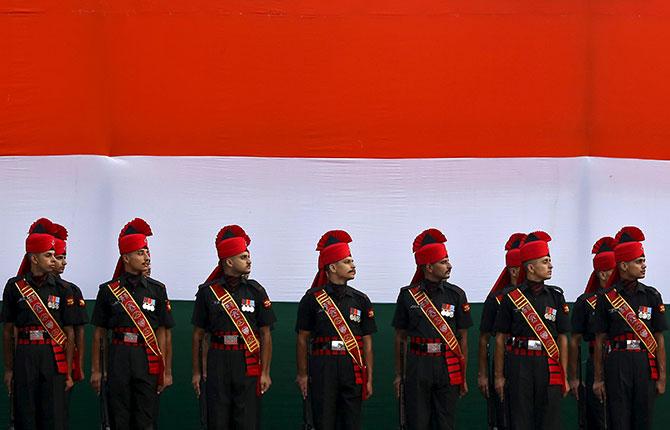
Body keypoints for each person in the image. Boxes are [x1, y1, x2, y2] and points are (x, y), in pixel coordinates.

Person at [90, 218, 174, 429]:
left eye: (147, 252)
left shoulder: (157, 290)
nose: (146, 257)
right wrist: (97, 371)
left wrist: (167, 371)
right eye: (140, 252)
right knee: (119, 418)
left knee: (146, 419)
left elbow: (164, 333)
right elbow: (100, 334)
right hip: (118, 357)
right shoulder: (108, 291)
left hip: (147, 359)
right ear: (126, 257)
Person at [191, 225, 276, 429]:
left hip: (246, 361)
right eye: (243, 257)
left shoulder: (256, 291)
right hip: (218, 360)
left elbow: (265, 335)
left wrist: (265, 372)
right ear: (229, 261)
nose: (249, 260)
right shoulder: (208, 292)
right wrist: (196, 372)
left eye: (248, 256)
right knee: (217, 419)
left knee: (246, 420)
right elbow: (198, 336)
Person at [392, 228, 471, 430]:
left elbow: (463, 338)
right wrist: (400, 375)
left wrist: (462, 375)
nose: (449, 266)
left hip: (448, 364)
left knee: (445, 423)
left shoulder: (457, 295)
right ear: (428, 266)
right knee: (417, 422)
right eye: (443, 262)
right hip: (418, 365)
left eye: (448, 260)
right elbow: (400, 338)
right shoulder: (408, 295)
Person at [296, 230, 376, 430]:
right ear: (332, 267)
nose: (353, 265)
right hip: (323, 366)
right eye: (347, 262)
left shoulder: (361, 299)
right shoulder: (312, 298)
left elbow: (367, 342)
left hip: (352, 365)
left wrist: (369, 377)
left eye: (352, 261)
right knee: (324, 421)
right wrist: (303, 374)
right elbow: (303, 339)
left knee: (351, 422)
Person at [1, 218, 76, 429]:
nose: (54, 260)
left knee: (53, 417)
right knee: (25, 415)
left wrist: (68, 372)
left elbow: (69, 333)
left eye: (55, 255)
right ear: (34, 258)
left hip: (52, 356)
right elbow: (8, 331)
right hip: (24, 355)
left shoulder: (63, 289)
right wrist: (9, 369)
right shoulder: (15, 287)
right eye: (48, 255)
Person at [494, 231, 570, 430]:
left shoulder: (556, 297)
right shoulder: (511, 297)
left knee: (549, 421)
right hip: (519, 365)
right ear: (530, 267)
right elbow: (500, 339)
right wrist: (499, 376)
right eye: (545, 261)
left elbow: (562, 338)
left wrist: (564, 375)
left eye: (549, 261)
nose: (550, 265)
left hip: (548, 364)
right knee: (520, 420)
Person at [592, 226, 666, 430]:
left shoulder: (652, 296)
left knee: (643, 421)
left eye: (644, 261)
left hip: (644, 363)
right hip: (617, 363)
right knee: (619, 420)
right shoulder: (606, 298)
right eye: (638, 261)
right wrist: (598, 380)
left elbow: (659, 338)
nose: (644, 266)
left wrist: (662, 377)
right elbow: (599, 340)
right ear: (623, 265)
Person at [477, 232, 526, 429]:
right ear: (513, 271)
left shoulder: (542, 296)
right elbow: (483, 339)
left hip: (531, 362)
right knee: (504, 417)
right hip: (503, 362)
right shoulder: (496, 299)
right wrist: (483, 374)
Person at [568, 236, 615, 429]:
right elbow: (574, 341)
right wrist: (574, 377)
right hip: (596, 361)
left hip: (623, 361)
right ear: (602, 274)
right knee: (595, 417)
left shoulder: (627, 299)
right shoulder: (585, 302)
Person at [52, 223, 89, 429]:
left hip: (62, 361)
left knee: (59, 414)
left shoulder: (71, 290)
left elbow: (78, 332)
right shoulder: (22, 288)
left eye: (64, 257)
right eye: (58, 257)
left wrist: (78, 366)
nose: (63, 262)